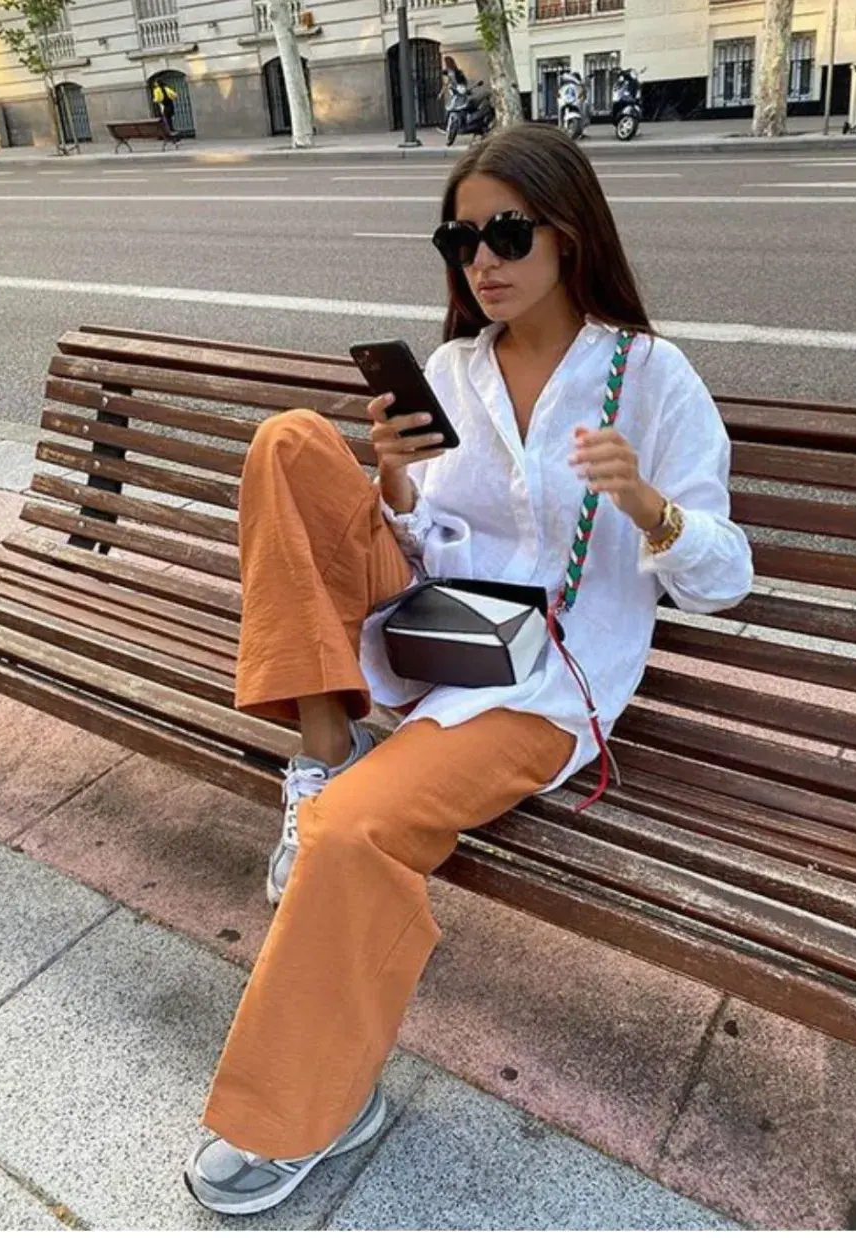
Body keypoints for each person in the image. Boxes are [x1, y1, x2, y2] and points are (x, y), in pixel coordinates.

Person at [184, 122, 753, 1217]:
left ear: (569, 233)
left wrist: (651, 506)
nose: (481, 259)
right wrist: (397, 489)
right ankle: (322, 750)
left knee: (353, 831)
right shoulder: (452, 368)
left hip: (543, 685)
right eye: (460, 236)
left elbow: (726, 578)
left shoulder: (651, 378)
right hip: (436, 636)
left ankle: (315, 1105)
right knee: (290, 442)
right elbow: (440, 548)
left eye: (505, 231)